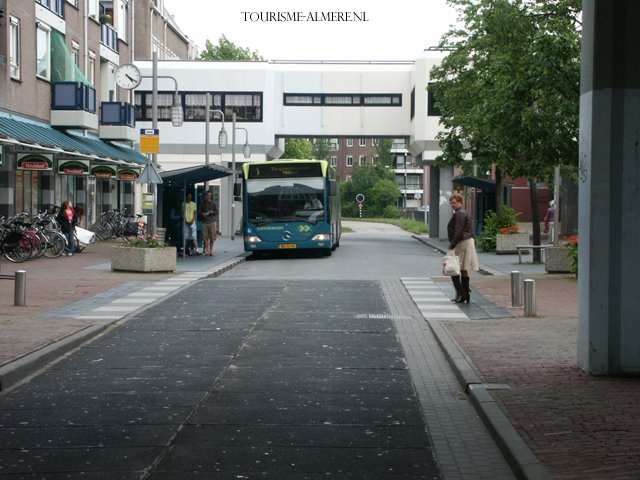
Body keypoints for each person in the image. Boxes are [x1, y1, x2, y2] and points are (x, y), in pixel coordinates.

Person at [447, 193, 479, 303]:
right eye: (451, 203)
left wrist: (452, 245)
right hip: (467, 241)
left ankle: (461, 294)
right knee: (463, 269)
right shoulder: (463, 212)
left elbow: (458, 231)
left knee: (453, 269)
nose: (452, 205)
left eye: (454, 202)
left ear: (460, 202)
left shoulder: (459, 214)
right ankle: (465, 295)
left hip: (462, 242)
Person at [199, 190, 218, 256]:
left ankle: (211, 250)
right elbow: (199, 212)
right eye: (207, 195)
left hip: (212, 221)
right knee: (205, 237)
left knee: (212, 237)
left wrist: (212, 212)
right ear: (205, 196)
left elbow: (216, 212)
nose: (208, 196)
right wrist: (203, 214)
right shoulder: (202, 203)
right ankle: (207, 249)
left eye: (210, 195)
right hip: (204, 222)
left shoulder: (213, 203)